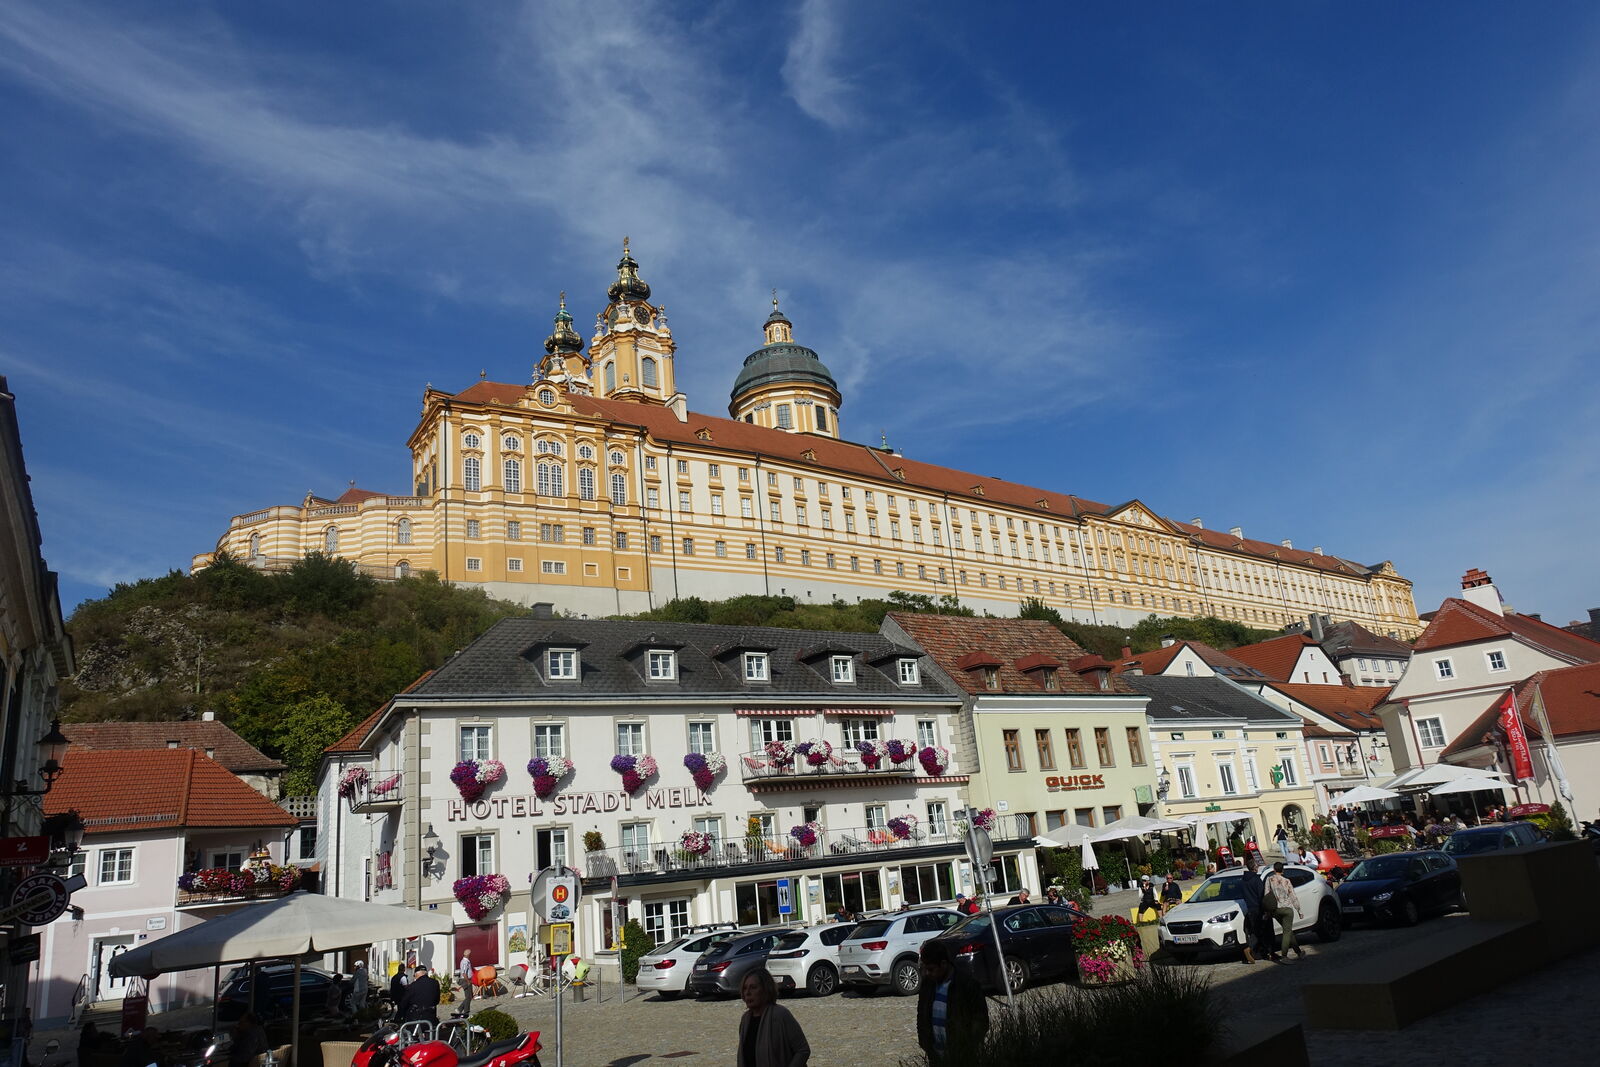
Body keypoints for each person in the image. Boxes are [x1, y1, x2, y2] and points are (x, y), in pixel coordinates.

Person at [916, 940, 988, 1066]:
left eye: (931, 969)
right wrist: (925, 1043)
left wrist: (968, 1046)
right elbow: (922, 1015)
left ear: (943, 964)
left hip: (963, 1058)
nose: (927, 973)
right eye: (925, 969)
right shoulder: (927, 985)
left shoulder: (967, 985)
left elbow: (980, 1019)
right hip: (936, 1057)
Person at [736, 967, 809, 1067]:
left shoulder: (780, 1015)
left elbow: (802, 1050)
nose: (748, 993)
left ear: (765, 989)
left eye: (753, 987)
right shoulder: (745, 1020)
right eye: (745, 988)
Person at [1264, 862, 1305, 961]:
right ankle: (1284, 955)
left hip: (1275, 909)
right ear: (1282, 870)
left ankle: (1298, 951)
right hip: (1287, 909)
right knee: (1287, 931)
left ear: (1274, 869)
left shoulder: (1269, 880)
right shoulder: (1286, 881)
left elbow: (1266, 895)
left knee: (1288, 930)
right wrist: (1299, 910)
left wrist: (1267, 911)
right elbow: (1293, 896)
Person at [1236, 857, 1271, 964]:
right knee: (1262, 931)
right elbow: (1261, 895)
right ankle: (1253, 950)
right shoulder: (1256, 879)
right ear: (1255, 868)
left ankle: (1254, 951)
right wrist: (1266, 909)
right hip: (1258, 908)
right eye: (1257, 866)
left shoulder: (1243, 881)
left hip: (1250, 909)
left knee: (1254, 931)